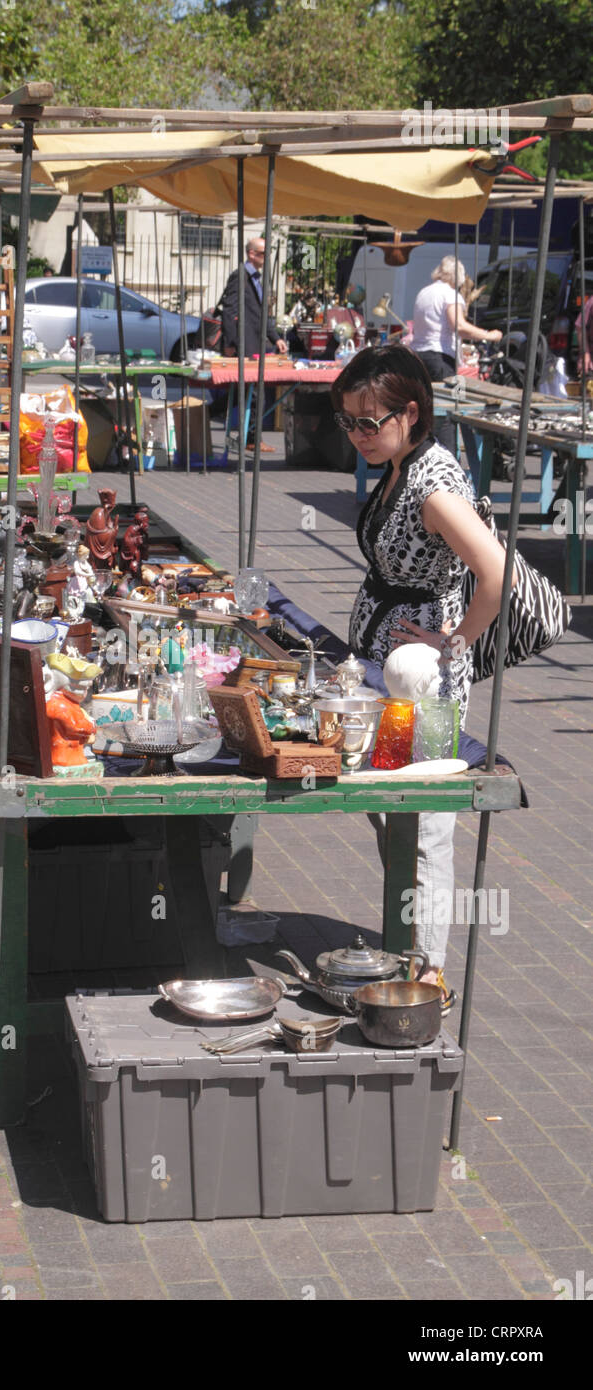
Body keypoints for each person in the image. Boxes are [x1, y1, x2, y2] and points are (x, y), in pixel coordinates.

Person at [332, 343, 514, 1007]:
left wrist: (456, 639)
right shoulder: (403, 465)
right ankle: (409, 940)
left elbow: (497, 574)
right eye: (348, 422)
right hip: (389, 670)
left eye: (369, 422)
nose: (358, 436)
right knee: (390, 809)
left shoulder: (433, 484)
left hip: (422, 678)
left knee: (428, 822)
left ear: (411, 413)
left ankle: (428, 969)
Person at [410, 256, 502, 449]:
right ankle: (448, 458)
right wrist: (489, 335)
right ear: (457, 277)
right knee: (449, 409)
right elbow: (458, 325)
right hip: (440, 358)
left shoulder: (424, 292)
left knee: (425, 409)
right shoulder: (450, 295)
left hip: (418, 356)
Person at [220, 238, 288, 359]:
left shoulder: (255, 279)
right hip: (242, 343)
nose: (267, 257)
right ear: (251, 254)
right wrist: (229, 343)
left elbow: (260, 314)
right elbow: (229, 310)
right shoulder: (240, 276)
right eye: (264, 253)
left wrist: (276, 339)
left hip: (255, 343)